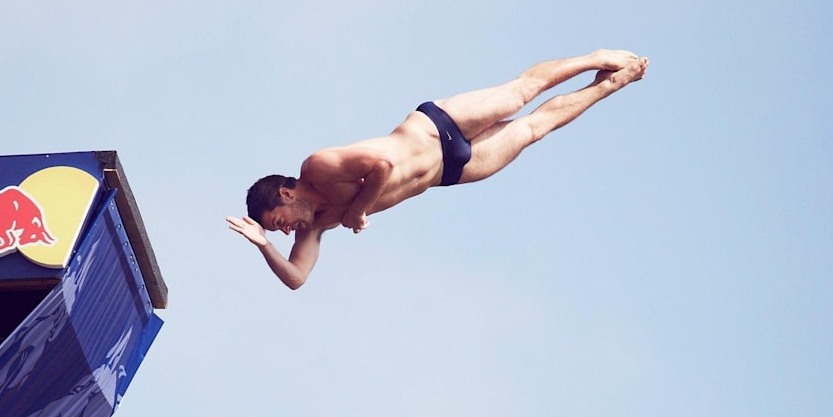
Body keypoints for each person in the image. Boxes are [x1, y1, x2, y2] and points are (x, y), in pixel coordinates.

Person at [227, 49, 649, 289]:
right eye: (279, 230)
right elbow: (298, 277)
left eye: (279, 222)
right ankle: (608, 85)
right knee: (534, 129)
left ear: (285, 193)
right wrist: (264, 245)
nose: (286, 231)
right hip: (452, 171)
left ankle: (596, 58)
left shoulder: (316, 167)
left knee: (520, 93)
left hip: (437, 127)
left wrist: (358, 210)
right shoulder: (315, 226)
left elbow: (382, 164)